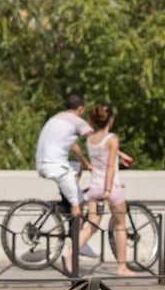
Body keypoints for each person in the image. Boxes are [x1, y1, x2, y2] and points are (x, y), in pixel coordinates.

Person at [34, 92, 97, 270]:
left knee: (76, 167)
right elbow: (95, 139)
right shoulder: (77, 121)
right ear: (81, 108)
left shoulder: (57, 118)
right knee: (79, 202)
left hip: (43, 163)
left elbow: (73, 146)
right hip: (56, 166)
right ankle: (78, 243)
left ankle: (65, 203)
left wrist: (85, 164)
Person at [83, 103, 136, 275]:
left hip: (94, 189)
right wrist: (108, 190)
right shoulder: (112, 138)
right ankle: (122, 267)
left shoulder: (90, 140)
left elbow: (105, 149)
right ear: (111, 120)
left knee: (90, 227)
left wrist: (121, 154)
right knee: (120, 225)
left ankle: (69, 253)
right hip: (110, 189)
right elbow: (110, 166)